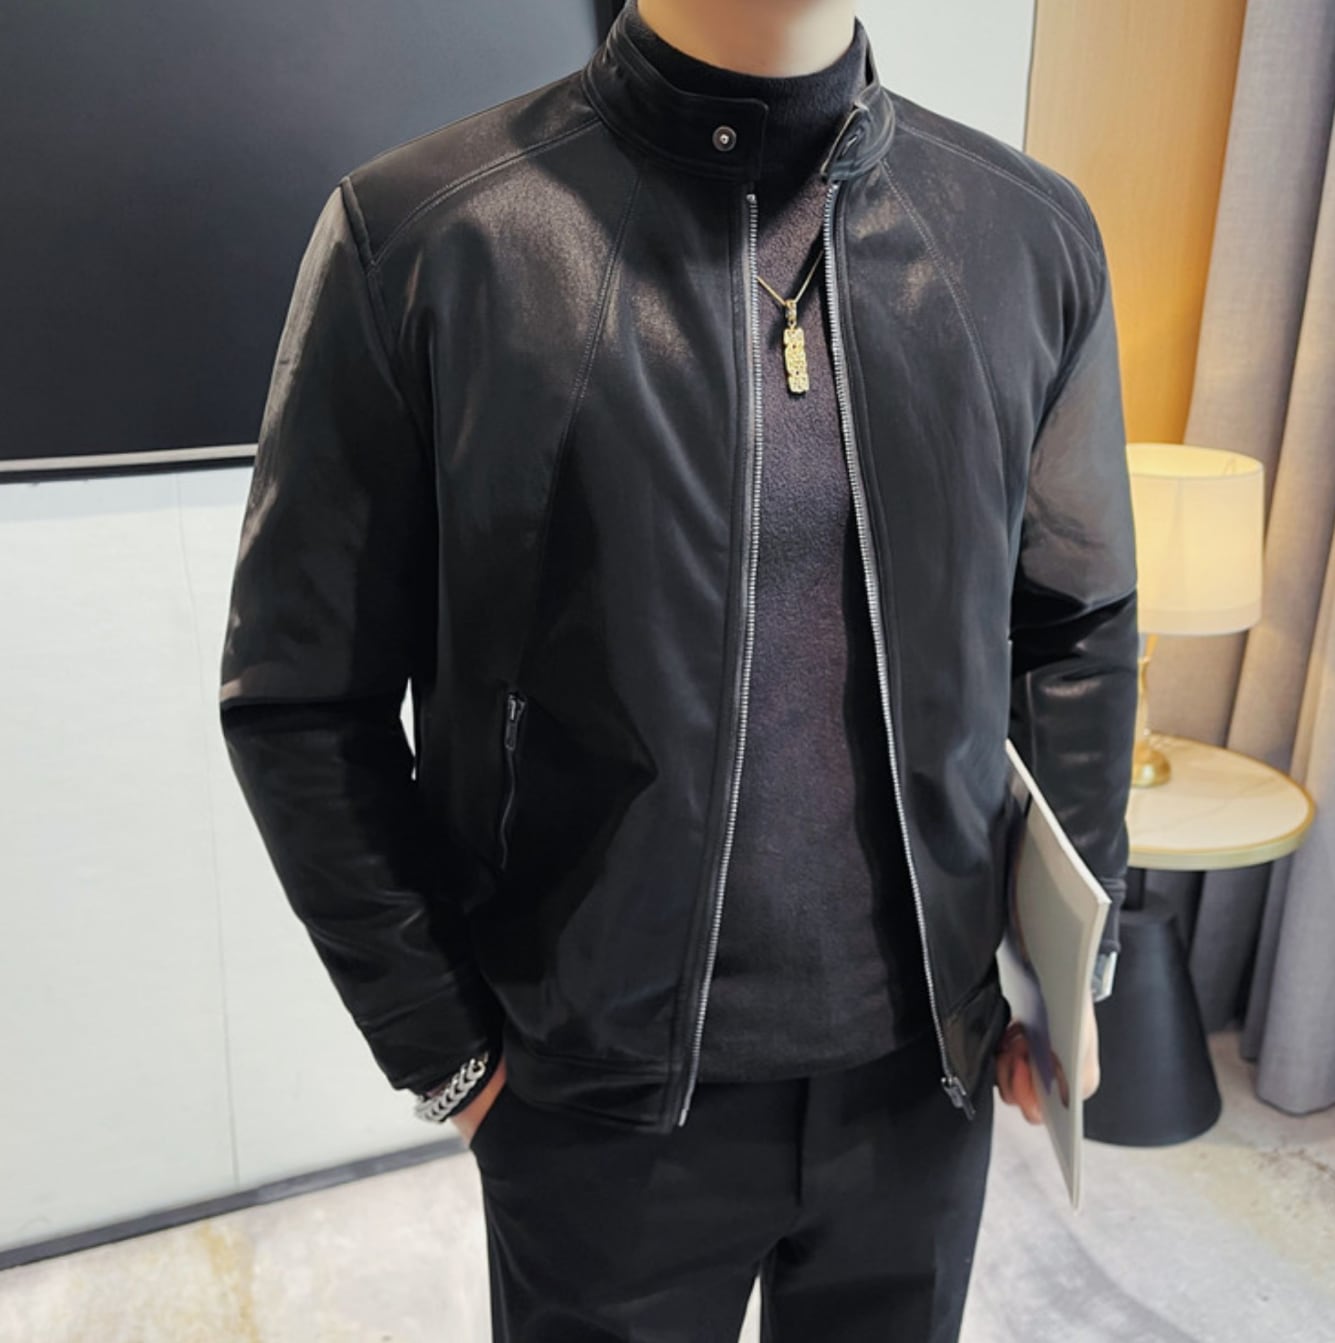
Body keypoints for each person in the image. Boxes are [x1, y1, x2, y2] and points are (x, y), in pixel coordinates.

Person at [218, 0, 1137, 1337]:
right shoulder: (430, 236)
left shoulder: (1024, 234)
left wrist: (1068, 973)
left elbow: (1077, 624)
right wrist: (451, 1053)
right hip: (596, 1112)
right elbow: (302, 699)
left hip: (925, 1084)